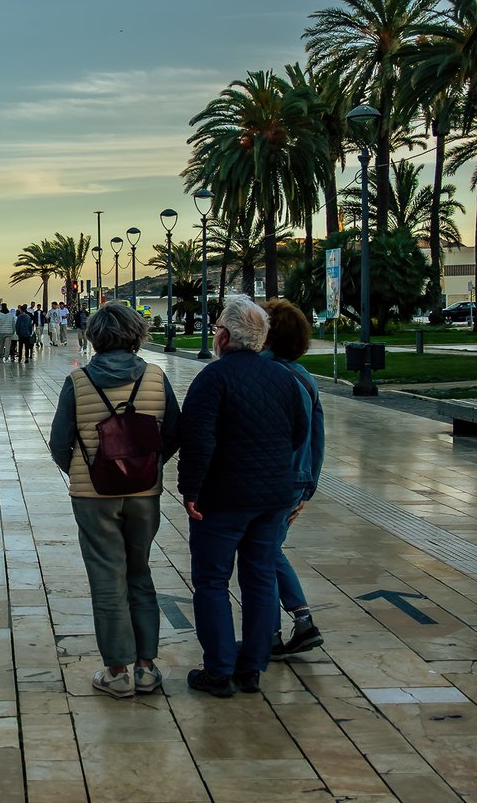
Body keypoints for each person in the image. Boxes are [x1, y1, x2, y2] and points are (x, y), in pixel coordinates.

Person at [178, 294, 309, 697]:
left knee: (213, 581)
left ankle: (218, 670)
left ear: (223, 336)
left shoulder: (213, 378)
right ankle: (252, 666)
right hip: (271, 497)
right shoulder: (285, 378)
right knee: (259, 578)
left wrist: (190, 490)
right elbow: (299, 433)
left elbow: (197, 439)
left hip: (222, 499)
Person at [48, 303, 181, 699]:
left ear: (95, 337)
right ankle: (146, 667)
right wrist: (148, 467)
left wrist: (81, 470)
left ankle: (117, 671)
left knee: (107, 577)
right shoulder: (156, 377)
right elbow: (173, 433)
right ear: (136, 334)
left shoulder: (79, 380)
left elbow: (59, 442)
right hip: (144, 495)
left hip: (93, 496)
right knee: (139, 571)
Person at [262, 298, 326, 660]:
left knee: (263, 553)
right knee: (270, 549)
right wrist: (309, 484)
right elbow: (317, 435)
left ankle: (272, 634)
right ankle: (302, 622)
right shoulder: (304, 376)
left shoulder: (266, 374)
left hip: (275, 479)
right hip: (297, 478)